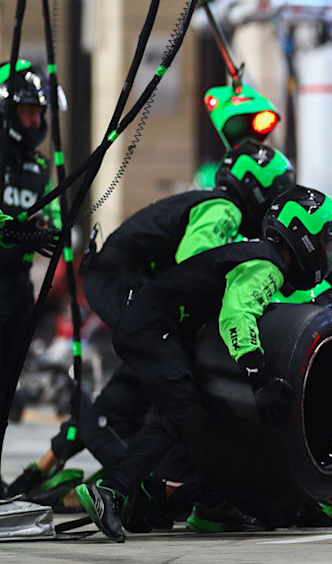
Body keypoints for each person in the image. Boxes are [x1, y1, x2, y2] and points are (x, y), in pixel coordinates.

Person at [4, 141, 296, 505]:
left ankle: (56, 468)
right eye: (276, 195)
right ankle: (132, 483)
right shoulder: (225, 210)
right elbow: (194, 264)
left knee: (153, 376)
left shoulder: (211, 204)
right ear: (256, 188)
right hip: (121, 284)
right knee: (173, 387)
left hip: (117, 281)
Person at [75, 186, 332, 543]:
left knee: (194, 414)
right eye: (328, 244)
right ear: (303, 235)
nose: (331, 254)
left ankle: (159, 497)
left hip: (153, 322)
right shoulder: (268, 265)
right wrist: (260, 378)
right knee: (183, 410)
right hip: (152, 325)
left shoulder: (258, 255)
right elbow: (237, 316)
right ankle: (111, 491)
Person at [0, 62, 61, 460]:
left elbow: (54, 217)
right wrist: (11, 227)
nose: (35, 119)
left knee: (6, 387)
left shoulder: (39, 168)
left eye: (39, 112)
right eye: (27, 111)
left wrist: (53, 230)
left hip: (18, 290)